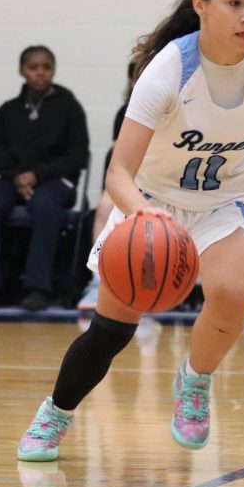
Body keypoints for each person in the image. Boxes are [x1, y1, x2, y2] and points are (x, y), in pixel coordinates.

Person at [16, 0, 244, 462]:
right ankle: (55, 413)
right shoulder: (166, 73)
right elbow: (118, 172)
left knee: (232, 293)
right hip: (151, 202)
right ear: (201, 5)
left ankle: (194, 381)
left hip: (224, 201)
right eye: (234, 2)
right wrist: (143, 213)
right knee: (110, 333)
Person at [0, 45, 90, 311]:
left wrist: (36, 175)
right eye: (33, 68)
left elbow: (78, 156)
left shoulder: (70, 108)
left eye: (46, 68)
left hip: (56, 180)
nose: (40, 74)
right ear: (22, 71)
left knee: (44, 206)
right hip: (13, 179)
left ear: (53, 71)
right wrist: (18, 178)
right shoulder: (8, 110)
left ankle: (39, 288)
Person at [77, 61, 136, 311]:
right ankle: (97, 281)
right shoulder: (126, 111)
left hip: (165, 181)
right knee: (104, 207)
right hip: (132, 179)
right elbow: (118, 158)